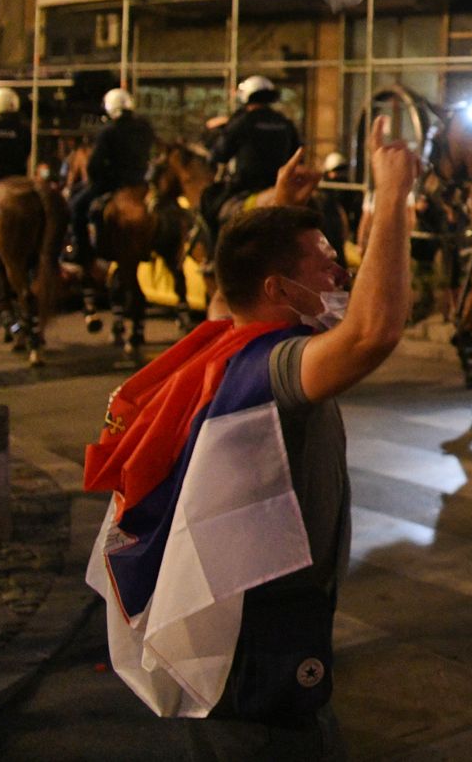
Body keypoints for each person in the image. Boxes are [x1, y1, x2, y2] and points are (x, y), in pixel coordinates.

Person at [83, 122, 413, 753]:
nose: (340, 273)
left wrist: (278, 205)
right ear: (278, 290)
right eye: (324, 264)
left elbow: (227, 284)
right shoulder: (275, 364)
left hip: (250, 619)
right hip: (264, 631)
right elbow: (372, 334)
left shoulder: (222, 337)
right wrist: (393, 193)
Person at [201, 77, 303, 253]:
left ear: (246, 96)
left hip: (247, 186)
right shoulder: (285, 122)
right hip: (279, 184)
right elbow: (296, 155)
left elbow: (220, 155)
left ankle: (214, 254)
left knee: (210, 202)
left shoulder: (242, 122)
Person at [68, 88, 157, 266]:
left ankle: (83, 251)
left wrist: (97, 179)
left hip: (113, 182)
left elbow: (94, 164)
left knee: (76, 206)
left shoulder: (109, 131)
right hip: (141, 182)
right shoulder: (145, 128)